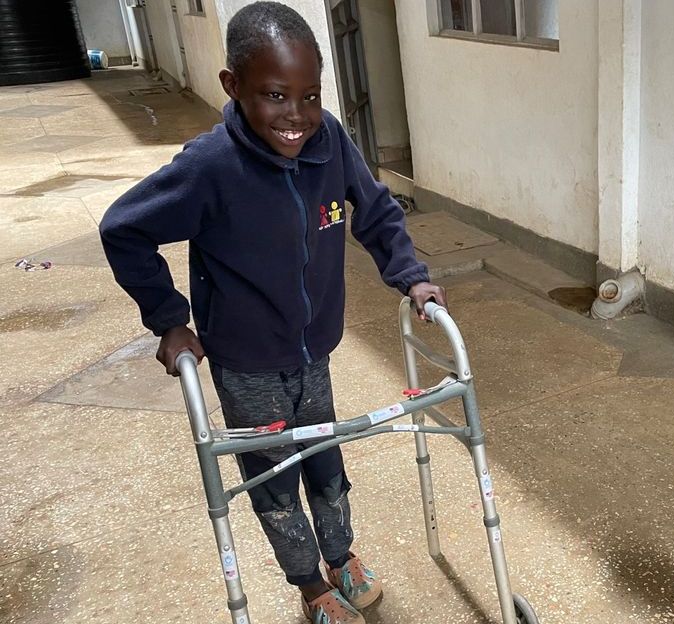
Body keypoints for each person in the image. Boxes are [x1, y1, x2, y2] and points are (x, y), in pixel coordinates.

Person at [99, 3, 444, 622]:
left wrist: (411, 276)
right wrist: (169, 318)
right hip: (247, 361)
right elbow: (124, 229)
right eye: (275, 96)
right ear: (233, 86)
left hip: (316, 348)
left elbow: (374, 210)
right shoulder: (210, 169)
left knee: (325, 455)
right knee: (275, 477)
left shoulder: (328, 139)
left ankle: (341, 557)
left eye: (310, 95)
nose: (297, 116)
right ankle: (311, 584)